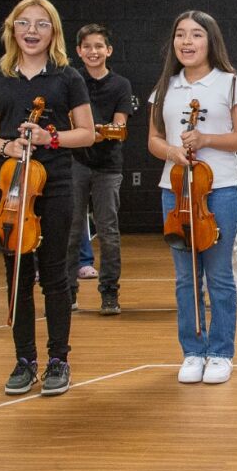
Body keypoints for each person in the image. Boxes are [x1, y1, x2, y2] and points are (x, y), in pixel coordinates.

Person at [0, 0, 94, 397]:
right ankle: (24, 359)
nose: (31, 31)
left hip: (55, 183)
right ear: (12, 30)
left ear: (53, 32)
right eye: (23, 23)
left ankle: (59, 358)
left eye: (41, 24)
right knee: (17, 277)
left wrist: (50, 137)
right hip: (10, 188)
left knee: (55, 276)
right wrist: (7, 147)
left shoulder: (68, 77)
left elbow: (88, 133)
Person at [149, 11, 237, 385]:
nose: (187, 42)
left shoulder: (230, 84)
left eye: (196, 34)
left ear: (211, 41)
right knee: (185, 277)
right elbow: (154, 140)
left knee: (220, 274)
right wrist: (173, 152)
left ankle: (221, 352)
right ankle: (193, 350)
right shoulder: (165, 87)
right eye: (180, 35)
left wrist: (207, 139)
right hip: (175, 190)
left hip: (221, 188)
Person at [65, 24, 133, 316]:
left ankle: (109, 293)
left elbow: (119, 128)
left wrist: (95, 132)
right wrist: (85, 133)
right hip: (75, 163)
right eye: (87, 47)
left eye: (99, 46)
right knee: (71, 229)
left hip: (108, 166)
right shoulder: (70, 80)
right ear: (79, 51)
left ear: (109, 50)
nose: (93, 52)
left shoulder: (121, 85)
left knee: (108, 231)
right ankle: (68, 293)